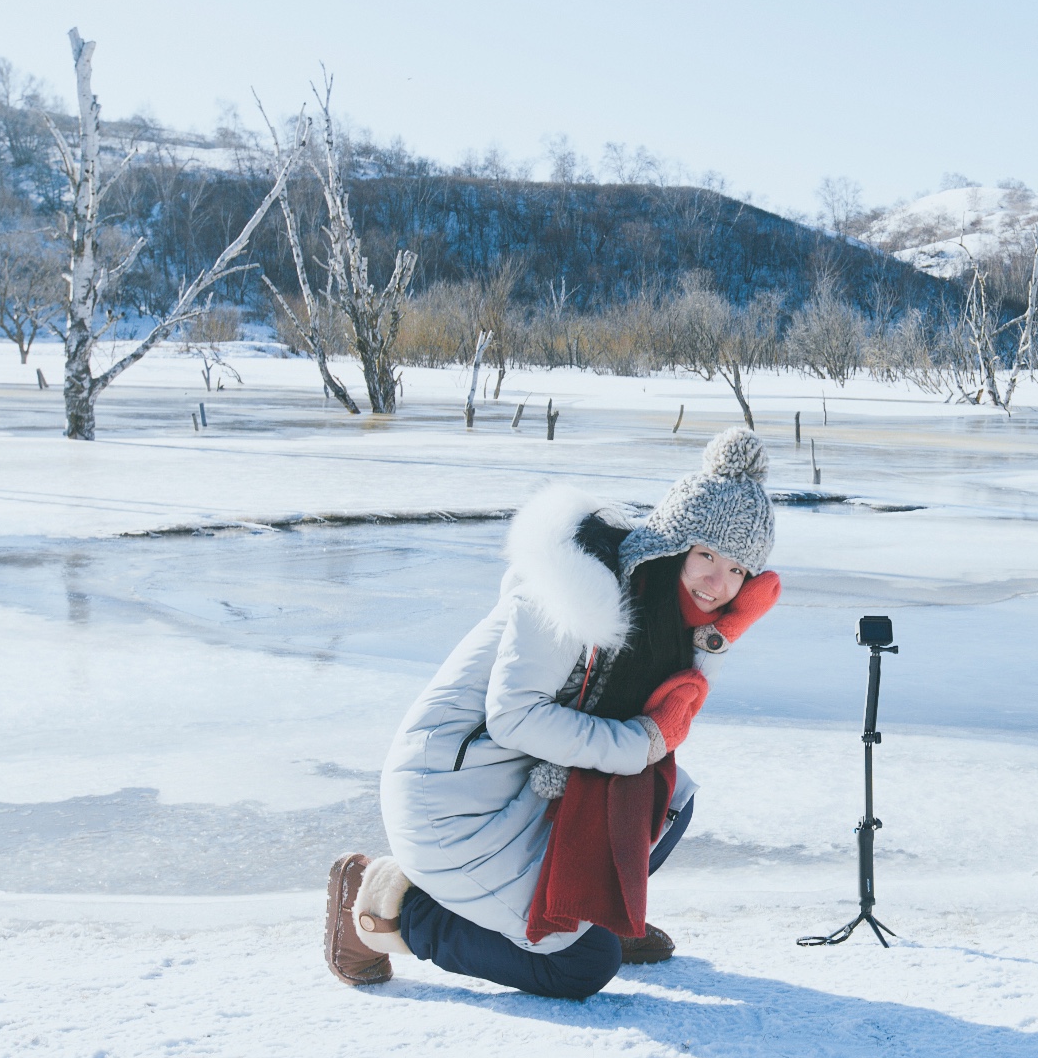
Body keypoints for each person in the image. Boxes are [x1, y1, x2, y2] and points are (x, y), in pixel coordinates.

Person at [325, 428, 780, 999]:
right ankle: (393, 912)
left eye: (737, 569)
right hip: (449, 800)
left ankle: (606, 912)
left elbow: (658, 719)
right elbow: (516, 717)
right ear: (671, 546)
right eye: (706, 556)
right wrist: (642, 742)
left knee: (670, 796)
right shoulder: (574, 593)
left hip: (515, 794)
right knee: (582, 965)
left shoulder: (665, 616)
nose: (718, 583)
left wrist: (713, 644)